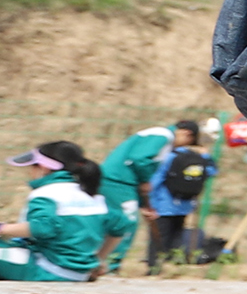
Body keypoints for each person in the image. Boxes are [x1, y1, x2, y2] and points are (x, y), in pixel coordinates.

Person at [1, 143, 131, 285]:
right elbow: (121, 225)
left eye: (32, 166)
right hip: (79, 274)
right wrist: (98, 260)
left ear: (44, 168)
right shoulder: (91, 195)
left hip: (47, 270)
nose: (29, 172)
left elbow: (42, 227)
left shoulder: (47, 194)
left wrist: (3, 228)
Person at [94, 121, 174, 272]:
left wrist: (143, 205)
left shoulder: (156, 135)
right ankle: (110, 266)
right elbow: (139, 160)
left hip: (122, 183)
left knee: (113, 221)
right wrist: (145, 180)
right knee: (126, 223)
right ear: (185, 134)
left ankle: (103, 263)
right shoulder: (162, 136)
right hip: (119, 182)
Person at [141, 121, 216, 270]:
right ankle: (172, 264)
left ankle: (154, 268)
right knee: (176, 235)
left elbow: (157, 179)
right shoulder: (198, 156)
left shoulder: (171, 156)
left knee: (158, 237)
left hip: (164, 204)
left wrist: (148, 199)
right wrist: (207, 156)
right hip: (185, 204)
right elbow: (212, 172)